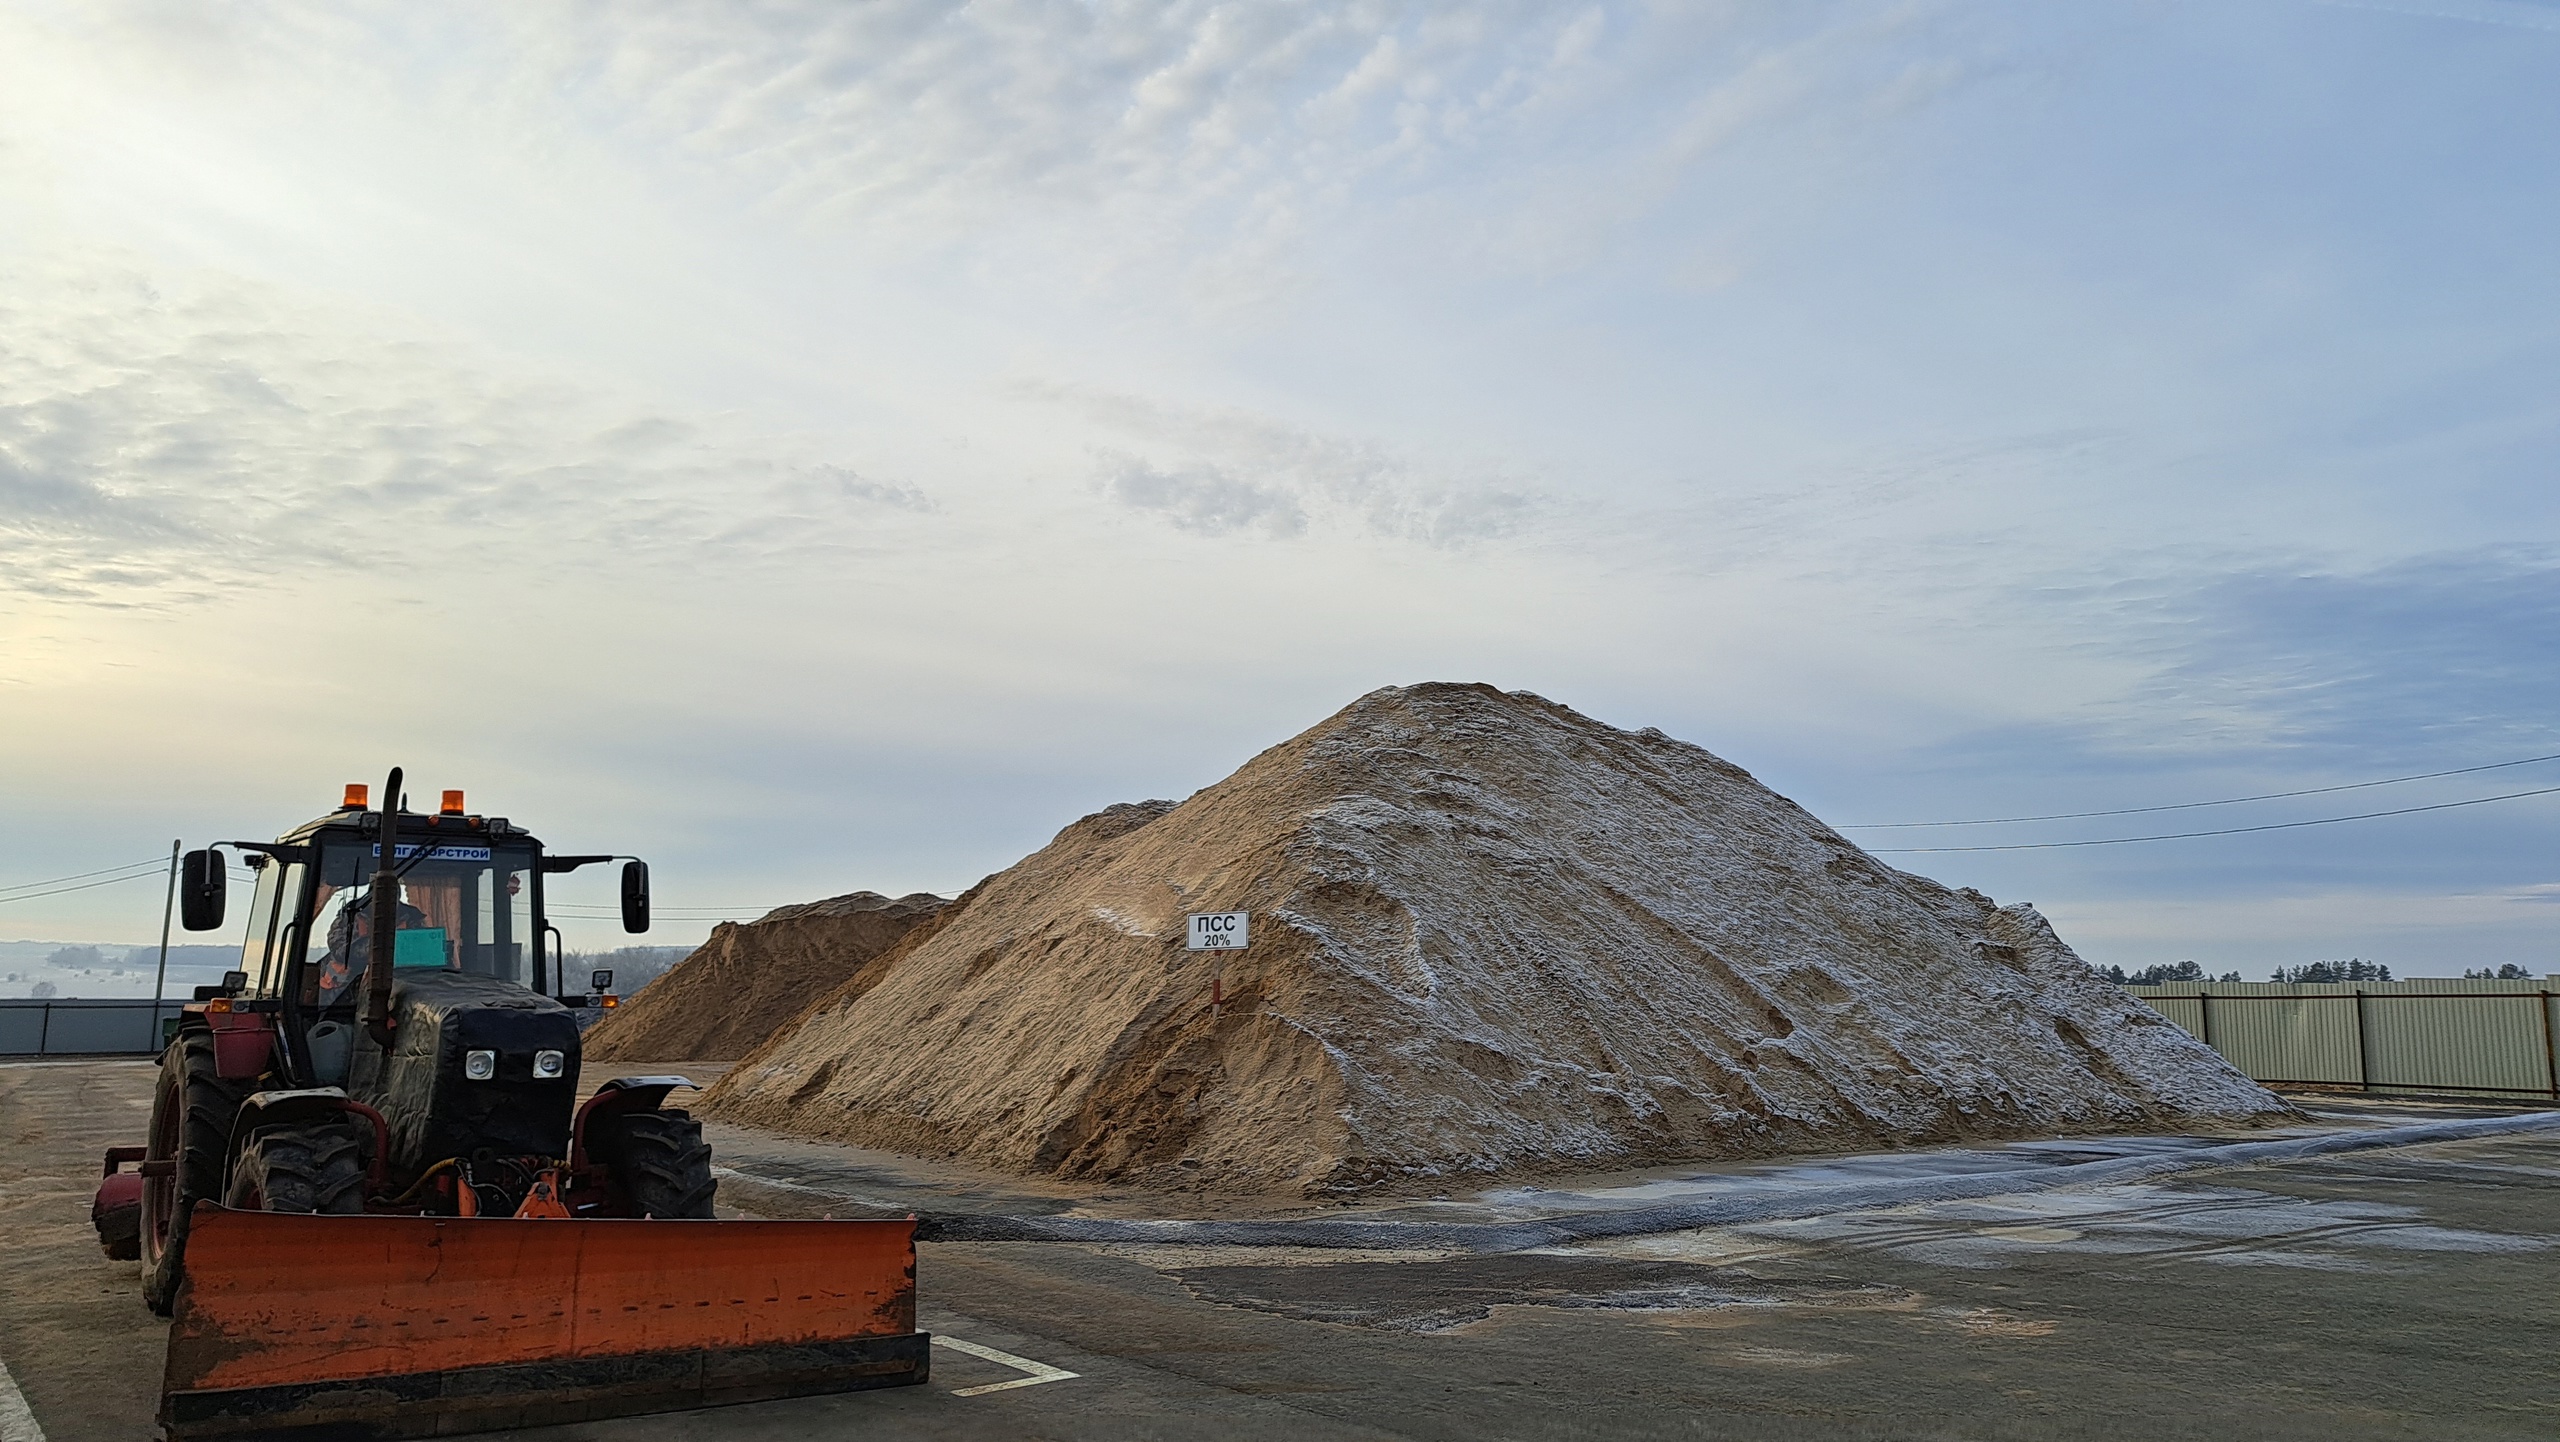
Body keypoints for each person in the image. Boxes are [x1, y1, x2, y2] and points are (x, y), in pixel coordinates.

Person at [313, 882, 430, 1009]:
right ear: (370, 895)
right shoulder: (351, 914)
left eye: (392, 894)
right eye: (380, 893)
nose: (386, 899)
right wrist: (381, 944)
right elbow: (339, 950)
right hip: (345, 991)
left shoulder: (412, 918)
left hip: (400, 985)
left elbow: (423, 953)